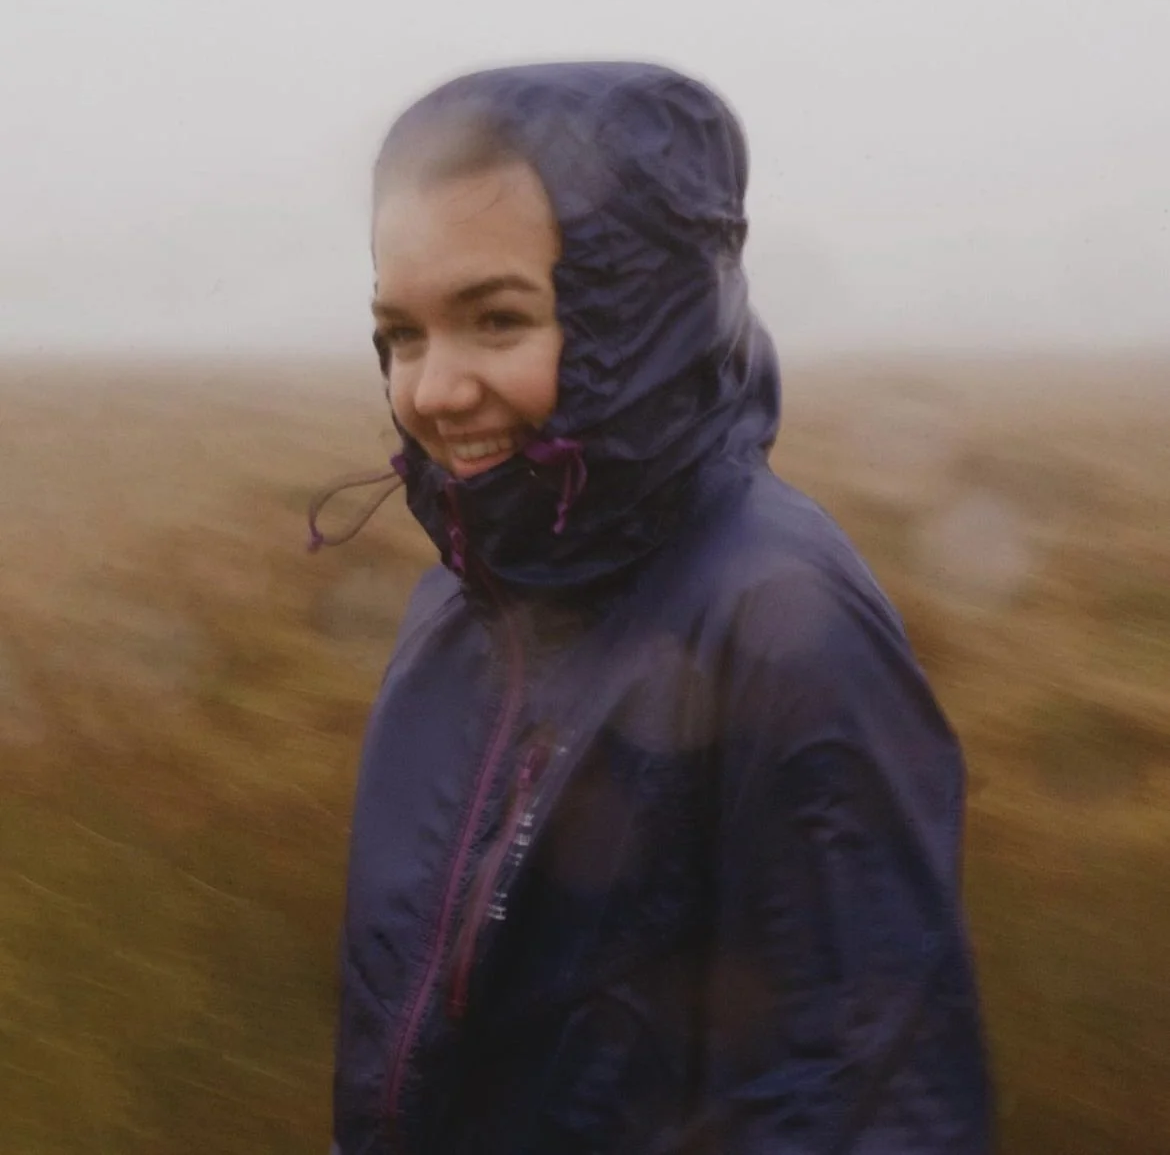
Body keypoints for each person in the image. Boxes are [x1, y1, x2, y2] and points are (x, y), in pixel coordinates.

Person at [315, 62, 992, 1154]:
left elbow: (867, 1097)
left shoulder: (782, 623)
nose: (434, 388)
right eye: (403, 331)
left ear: (642, 315)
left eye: (497, 318)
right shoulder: (460, 597)